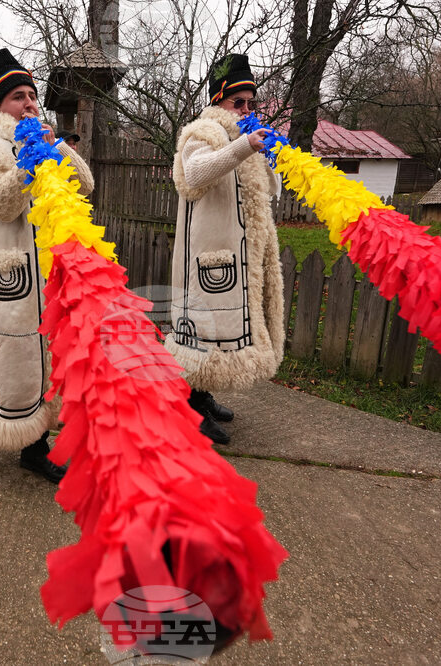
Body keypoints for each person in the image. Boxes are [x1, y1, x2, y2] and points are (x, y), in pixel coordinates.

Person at [0, 48, 94, 483]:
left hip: (49, 271)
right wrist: (28, 161)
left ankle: (35, 447)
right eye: (18, 96)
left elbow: (85, 186)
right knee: (7, 361)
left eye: (32, 95)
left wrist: (56, 149)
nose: (30, 102)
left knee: (45, 361)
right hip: (8, 274)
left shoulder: (44, 141)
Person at [165, 53, 285, 445]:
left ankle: (201, 394)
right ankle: (188, 405)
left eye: (252, 103)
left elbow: (272, 190)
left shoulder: (241, 138)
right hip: (207, 255)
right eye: (239, 103)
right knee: (201, 333)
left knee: (220, 335)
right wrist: (245, 148)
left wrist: (271, 159)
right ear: (219, 100)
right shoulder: (201, 132)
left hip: (238, 254)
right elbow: (195, 174)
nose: (247, 110)